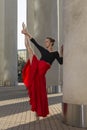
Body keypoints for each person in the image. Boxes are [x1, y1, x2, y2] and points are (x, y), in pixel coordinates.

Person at [21, 23, 63, 118]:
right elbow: (33, 42)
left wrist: (62, 53)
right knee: (29, 49)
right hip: (36, 70)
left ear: (51, 43)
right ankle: (36, 111)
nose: (45, 43)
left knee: (42, 95)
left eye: (47, 42)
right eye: (45, 42)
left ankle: (40, 112)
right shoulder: (43, 51)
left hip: (41, 76)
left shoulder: (55, 53)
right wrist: (26, 34)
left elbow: (61, 62)